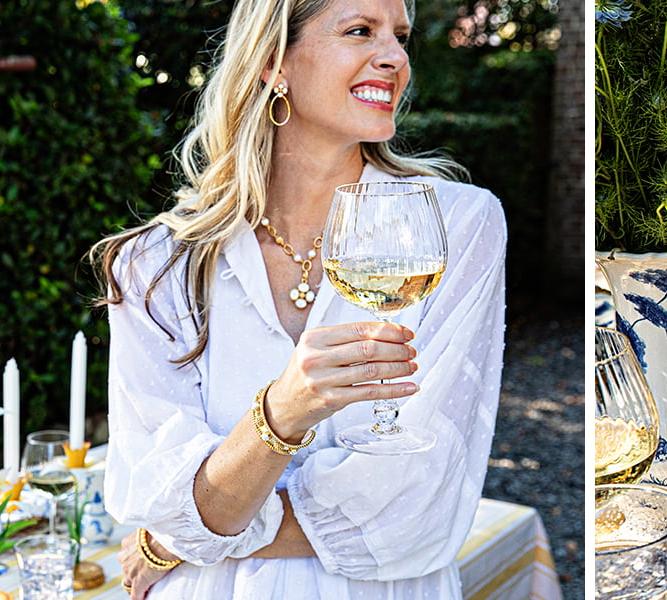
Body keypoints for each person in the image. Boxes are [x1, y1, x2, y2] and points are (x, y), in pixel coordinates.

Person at [90, 0, 507, 596]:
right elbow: (155, 495)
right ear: (271, 61)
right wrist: (282, 413)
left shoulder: (457, 227)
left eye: (400, 37)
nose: (394, 58)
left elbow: (419, 505)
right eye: (360, 31)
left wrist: (184, 532)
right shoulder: (155, 265)